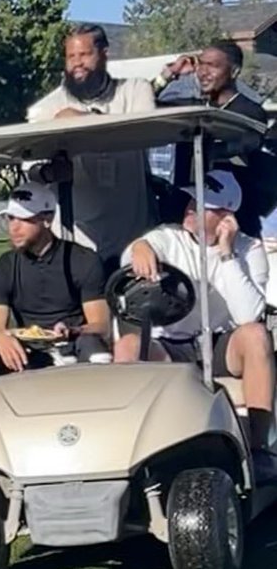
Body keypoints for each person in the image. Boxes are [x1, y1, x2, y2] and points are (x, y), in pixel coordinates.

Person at [113, 170, 276, 480]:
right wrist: (139, 249)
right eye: (191, 201)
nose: (190, 208)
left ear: (225, 216)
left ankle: (259, 450)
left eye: (201, 205)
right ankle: (127, 457)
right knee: (127, 345)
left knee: (255, 336)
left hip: (218, 344)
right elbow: (140, 250)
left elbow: (246, 315)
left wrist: (226, 256)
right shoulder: (168, 237)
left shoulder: (249, 249)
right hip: (169, 344)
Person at [27, 24, 157, 274]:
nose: (77, 63)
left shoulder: (135, 90)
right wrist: (49, 174)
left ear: (104, 53)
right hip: (76, 237)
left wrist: (83, 118)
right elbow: (30, 167)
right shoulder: (47, 107)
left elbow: (144, 133)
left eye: (84, 55)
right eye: (71, 56)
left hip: (133, 235)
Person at [0, 184, 110, 392]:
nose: (14, 227)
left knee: (95, 350)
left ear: (46, 219)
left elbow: (101, 324)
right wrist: (0, 336)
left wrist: (73, 331)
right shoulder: (5, 266)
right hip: (27, 349)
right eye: (11, 218)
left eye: (23, 219)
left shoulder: (82, 260)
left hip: (73, 344)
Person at [155, 41, 271, 237]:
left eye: (213, 66)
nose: (202, 72)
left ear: (234, 72)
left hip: (229, 216)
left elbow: (246, 145)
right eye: (201, 64)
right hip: (184, 212)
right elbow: (143, 103)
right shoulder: (193, 109)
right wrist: (169, 74)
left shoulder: (249, 112)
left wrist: (206, 146)